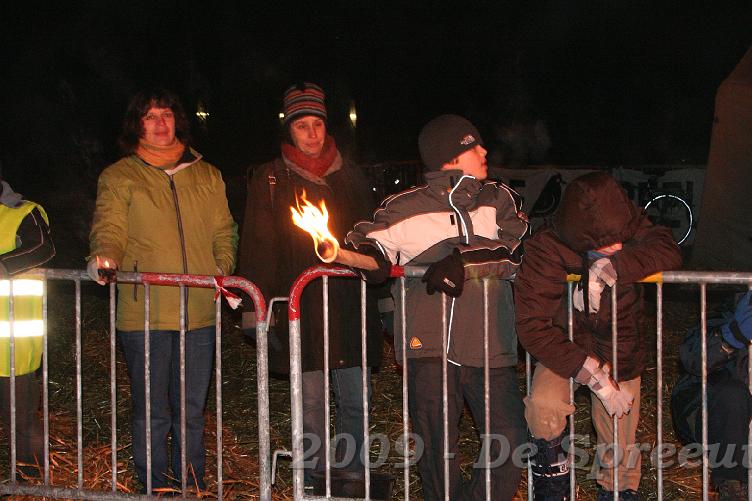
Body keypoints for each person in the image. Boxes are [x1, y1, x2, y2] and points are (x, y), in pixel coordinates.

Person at [346, 114, 529, 501]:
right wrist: (370, 257)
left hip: (489, 344)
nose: (483, 151)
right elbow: (368, 241)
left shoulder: (498, 200)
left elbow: (517, 251)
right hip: (428, 347)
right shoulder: (405, 207)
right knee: (436, 453)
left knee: (511, 441)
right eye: (472, 146)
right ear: (449, 157)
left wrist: (464, 259)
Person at [87, 88, 238, 493]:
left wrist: (221, 267)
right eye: (150, 116)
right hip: (145, 312)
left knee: (191, 409)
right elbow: (110, 226)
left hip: (200, 313)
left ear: (178, 121)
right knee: (152, 410)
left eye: (166, 115)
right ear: (137, 125)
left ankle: (191, 484)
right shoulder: (120, 176)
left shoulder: (208, 175)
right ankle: (153, 487)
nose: (159, 123)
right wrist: (104, 256)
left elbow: (225, 230)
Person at [236, 82, 382, 478]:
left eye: (317, 123)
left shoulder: (349, 176)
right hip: (304, 310)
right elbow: (257, 247)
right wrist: (256, 310)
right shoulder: (271, 179)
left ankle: (353, 476)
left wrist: (381, 302)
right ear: (290, 130)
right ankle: (315, 479)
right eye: (302, 125)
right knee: (311, 402)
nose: (312, 133)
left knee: (356, 399)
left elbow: (373, 241)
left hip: (350, 307)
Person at [514, 171, 683, 501]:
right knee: (544, 407)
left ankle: (618, 491)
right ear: (579, 234)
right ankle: (553, 485)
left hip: (620, 346)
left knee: (619, 431)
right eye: (606, 242)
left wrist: (617, 265)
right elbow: (533, 325)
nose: (618, 244)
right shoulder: (546, 248)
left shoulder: (624, 222)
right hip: (564, 347)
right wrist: (593, 376)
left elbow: (668, 248)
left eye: (621, 236)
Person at [671, 287, 752, 501]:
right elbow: (691, 357)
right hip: (711, 417)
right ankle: (731, 485)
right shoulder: (745, 312)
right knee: (733, 395)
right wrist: (731, 337)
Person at [0, 167, 55, 479]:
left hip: (13, 345)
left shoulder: (24, 213)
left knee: (21, 423)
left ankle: (32, 485)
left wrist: (3, 265)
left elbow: (43, 247)